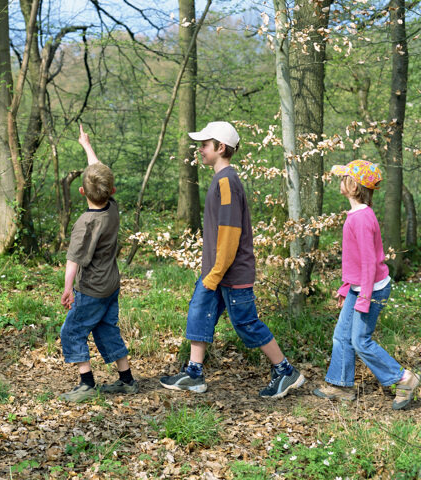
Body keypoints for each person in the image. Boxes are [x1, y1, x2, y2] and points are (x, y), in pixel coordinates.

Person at [160, 121, 305, 398]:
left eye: (205, 145)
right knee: (199, 313)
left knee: (247, 323)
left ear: (220, 147)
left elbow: (229, 234)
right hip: (216, 271)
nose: (200, 150)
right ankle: (194, 373)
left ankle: (286, 371)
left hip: (229, 272)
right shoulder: (221, 180)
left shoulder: (227, 182)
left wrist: (214, 274)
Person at [313, 160, 419, 409]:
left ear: (352, 185)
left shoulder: (361, 218)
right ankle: (341, 385)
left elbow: (370, 263)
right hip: (359, 288)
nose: (340, 181)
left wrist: (364, 297)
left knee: (361, 341)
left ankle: (405, 378)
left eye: (344, 177)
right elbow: (355, 261)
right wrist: (345, 288)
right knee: (342, 335)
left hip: (371, 290)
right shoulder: (357, 214)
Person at [58, 124, 138, 402]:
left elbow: (73, 261)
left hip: (91, 289)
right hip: (111, 285)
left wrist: (68, 289)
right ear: (111, 189)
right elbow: (99, 175)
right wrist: (87, 146)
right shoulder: (112, 207)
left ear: (82, 191)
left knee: (71, 331)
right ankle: (127, 381)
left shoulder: (85, 223)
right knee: (106, 330)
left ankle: (87, 384)